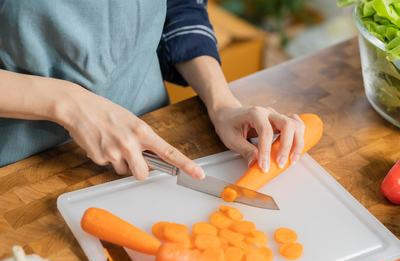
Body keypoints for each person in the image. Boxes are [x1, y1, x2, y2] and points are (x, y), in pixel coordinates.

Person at [0, 0, 304, 180]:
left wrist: (222, 102)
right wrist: (67, 103)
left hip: (150, 138)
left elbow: (179, 5)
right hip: (20, 169)